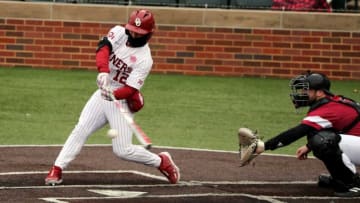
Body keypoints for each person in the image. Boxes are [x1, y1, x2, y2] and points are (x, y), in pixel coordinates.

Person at [45, 9, 180, 185]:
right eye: (132, 30)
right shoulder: (118, 32)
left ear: (148, 34)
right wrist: (103, 72)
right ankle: (57, 168)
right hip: (104, 90)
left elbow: (130, 89)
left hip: (121, 98)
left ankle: (161, 162)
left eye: (138, 33)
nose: (133, 34)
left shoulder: (145, 60)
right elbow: (103, 48)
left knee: (122, 150)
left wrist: (113, 94)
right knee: (81, 128)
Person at [251, 71, 360, 197]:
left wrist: (264, 146)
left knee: (323, 141)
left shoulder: (327, 109)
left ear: (319, 92)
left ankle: (352, 183)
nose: (302, 94)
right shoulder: (332, 102)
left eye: (306, 90)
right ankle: (341, 178)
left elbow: (297, 132)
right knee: (317, 138)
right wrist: (309, 146)